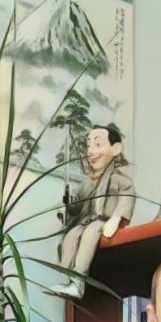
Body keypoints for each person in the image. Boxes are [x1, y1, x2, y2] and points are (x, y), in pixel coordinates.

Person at [54, 122, 135, 300]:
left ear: (116, 149)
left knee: (91, 233)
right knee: (72, 234)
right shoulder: (89, 182)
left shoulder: (119, 179)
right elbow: (77, 203)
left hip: (102, 222)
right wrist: (68, 204)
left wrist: (117, 218)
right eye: (89, 145)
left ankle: (79, 282)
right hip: (87, 221)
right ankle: (69, 278)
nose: (91, 151)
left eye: (98, 144)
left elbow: (126, 197)